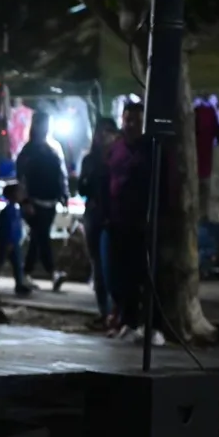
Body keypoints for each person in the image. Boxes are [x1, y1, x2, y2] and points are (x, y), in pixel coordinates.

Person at [107, 102, 165, 345]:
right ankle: (129, 321)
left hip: (144, 222)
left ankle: (154, 326)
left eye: (135, 121)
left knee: (148, 275)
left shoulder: (152, 150)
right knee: (122, 276)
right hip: (119, 222)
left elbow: (163, 185)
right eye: (127, 120)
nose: (130, 125)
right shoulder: (117, 148)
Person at [17, 111, 68, 291]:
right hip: (33, 202)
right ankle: (52, 271)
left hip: (50, 202)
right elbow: (21, 178)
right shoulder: (27, 151)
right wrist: (24, 202)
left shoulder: (52, 149)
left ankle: (25, 272)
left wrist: (64, 194)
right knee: (41, 236)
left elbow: (61, 175)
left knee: (38, 238)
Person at [77, 117, 119, 328]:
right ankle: (104, 312)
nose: (103, 137)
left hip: (113, 216)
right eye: (100, 132)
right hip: (94, 215)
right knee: (99, 266)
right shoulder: (90, 160)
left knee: (112, 267)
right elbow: (82, 189)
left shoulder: (118, 157)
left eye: (108, 132)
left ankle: (115, 312)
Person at [0, 182, 31, 296]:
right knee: (0, 262)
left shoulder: (15, 209)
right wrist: (9, 241)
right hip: (9, 242)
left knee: (17, 264)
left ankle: (20, 284)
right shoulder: (9, 211)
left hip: (14, 242)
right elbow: (8, 227)